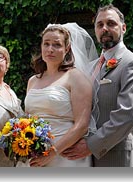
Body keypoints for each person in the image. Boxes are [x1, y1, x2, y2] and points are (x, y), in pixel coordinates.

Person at [61, 4, 133, 167]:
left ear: (123, 28)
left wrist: (91, 145)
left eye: (111, 23)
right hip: (85, 159)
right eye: (100, 25)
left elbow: (129, 114)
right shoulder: (89, 67)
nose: (105, 28)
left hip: (118, 156)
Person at [25, 23, 98, 167]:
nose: (50, 49)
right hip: (35, 155)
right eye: (46, 44)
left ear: (67, 48)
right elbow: (28, 119)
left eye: (57, 45)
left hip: (65, 155)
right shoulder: (33, 81)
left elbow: (82, 125)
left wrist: (52, 152)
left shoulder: (76, 78)